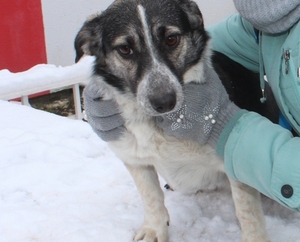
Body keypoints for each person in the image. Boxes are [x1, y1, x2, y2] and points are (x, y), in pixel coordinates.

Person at [83, 0, 300, 212]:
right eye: (125, 49)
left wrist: (226, 130)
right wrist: (105, 89)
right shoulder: (270, 16)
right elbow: (210, 41)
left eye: (170, 41)